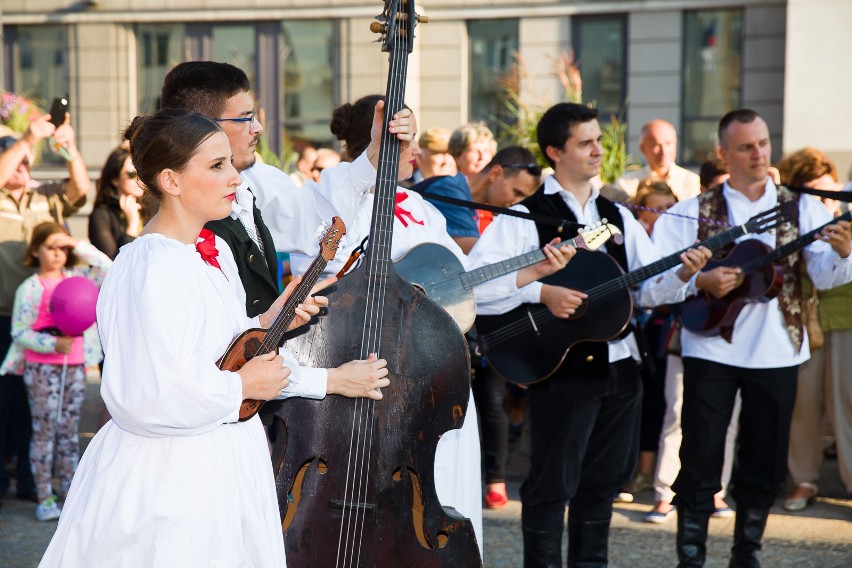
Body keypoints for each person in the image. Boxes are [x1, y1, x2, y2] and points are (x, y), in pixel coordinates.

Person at [39, 107, 328, 566]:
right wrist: (243, 386)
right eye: (216, 166)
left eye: (229, 163)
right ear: (171, 182)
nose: (234, 176)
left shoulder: (200, 256)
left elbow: (209, 354)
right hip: (172, 480)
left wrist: (267, 322)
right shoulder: (151, 266)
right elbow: (146, 394)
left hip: (215, 464)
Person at [467, 102, 708, 567]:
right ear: (555, 151)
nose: (598, 150)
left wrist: (683, 274)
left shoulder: (615, 216)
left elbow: (650, 289)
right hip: (563, 373)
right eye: (586, 142)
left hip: (621, 372)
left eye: (598, 139)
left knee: (600, 489)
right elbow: (478, 287)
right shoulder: (525, 215)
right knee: (550, 488)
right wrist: (543, 292)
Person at [290, 94, 497, 553]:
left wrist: (533, 276)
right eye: (407, 143)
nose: (418, 153)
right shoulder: (334, 191)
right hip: (361, 367)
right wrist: (375, 154)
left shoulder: (426, 209)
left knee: (436, 485)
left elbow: (460, 284)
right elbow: (324, 268)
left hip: (431, 372)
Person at [650, 109, 852, 567]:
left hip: (779, 350)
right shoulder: (688, 213)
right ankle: (691, 555)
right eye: (746, 147)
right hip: (710, 348)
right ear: (723, 153)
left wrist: (843, 253)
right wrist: (699, 281)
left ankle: (748, 553)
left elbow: (821, 274)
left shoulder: (803, 206)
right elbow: (652, 287)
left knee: (764, 459)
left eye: (763, 144)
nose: (759, 154)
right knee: (700, 456)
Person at [159, 61, 404, 402]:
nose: (258, 128)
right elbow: (201, 366)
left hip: (257, 394)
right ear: (203, 127)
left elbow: (314, 220)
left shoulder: (255, 182)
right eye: (245, 118)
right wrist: (329, 380)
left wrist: (375, 151)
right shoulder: (181, 239)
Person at [0, 112, 90, 508]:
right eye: (17, 160)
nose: (23, 166)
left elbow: (80, 189)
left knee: (31, 414)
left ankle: (28, 484)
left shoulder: (44, 199)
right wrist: (26, 138)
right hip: (6, 314)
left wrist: (69, 150)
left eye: (26, 161)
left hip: (46, 327)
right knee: (3, 406)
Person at [0, 221, 110, 521]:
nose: (59, 253)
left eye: (63, 248)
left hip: (74, 367)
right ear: (35, 251)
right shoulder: (31, 287)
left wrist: (76, 244)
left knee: (69, 432)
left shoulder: (77, 278)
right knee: (44, 432)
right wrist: (50, 344)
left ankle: (71, 491)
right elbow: (19, 331)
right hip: (41, 370)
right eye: (51, 247)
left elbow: (106, 268)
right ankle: (45, 495)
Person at [777, 147, 852, 511]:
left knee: (848, 404)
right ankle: (804, 480)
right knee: (802, 406)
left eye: (829, 190)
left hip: (847, 320)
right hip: (802, 320)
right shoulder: (790, 216)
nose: (826, 200)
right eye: (816, 193)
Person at [421, 145, 541, 253]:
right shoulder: (450, 190)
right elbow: (478, 253)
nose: (517, 202)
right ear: (495, 173)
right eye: (517, 192)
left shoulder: (466, 198)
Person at [616, 119, 700, 202]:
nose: (664, 151)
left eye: (668, 143)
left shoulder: (693, 182)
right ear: (643, 149)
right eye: (656, 145)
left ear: (676, 143)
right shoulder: (626, 184)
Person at [88, 146, 143, 259]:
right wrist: (132, 224)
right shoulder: (101, 215)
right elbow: (114, 264)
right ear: (115, 179)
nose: (139, 179)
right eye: (131, 174)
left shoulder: (154, 207)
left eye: (141, 172)